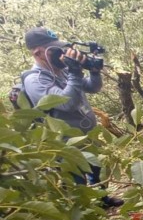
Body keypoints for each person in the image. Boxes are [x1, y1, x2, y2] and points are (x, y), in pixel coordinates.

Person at [23, 27, 123, 208]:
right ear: (38, 52)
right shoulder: (35, 80)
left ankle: (102, 200)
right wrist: (75, 72)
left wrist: (93, 70)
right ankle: (84, 216)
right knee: (76, 181)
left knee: (97, 169)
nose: (60, 54)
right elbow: (66, 103)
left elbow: (92, 87)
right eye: (53, 50)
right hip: (66, 144)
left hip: (87, 136)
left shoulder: (60, 71)